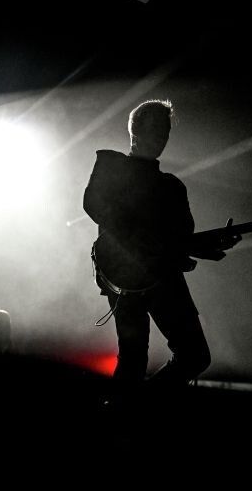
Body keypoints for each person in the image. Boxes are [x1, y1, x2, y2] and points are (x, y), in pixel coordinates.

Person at [83, 99, 240, 383]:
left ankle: (136, 404)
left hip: (162, 275)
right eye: (155, 129)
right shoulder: (110, 165)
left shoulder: (173, 187)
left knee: (194, 356)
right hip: (125, 278)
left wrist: (212, 246)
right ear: (135, 130)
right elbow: (93, 204)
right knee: (133, 361)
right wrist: (146, 241)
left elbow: (182, 240)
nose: (162, 137)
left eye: (165, 131)